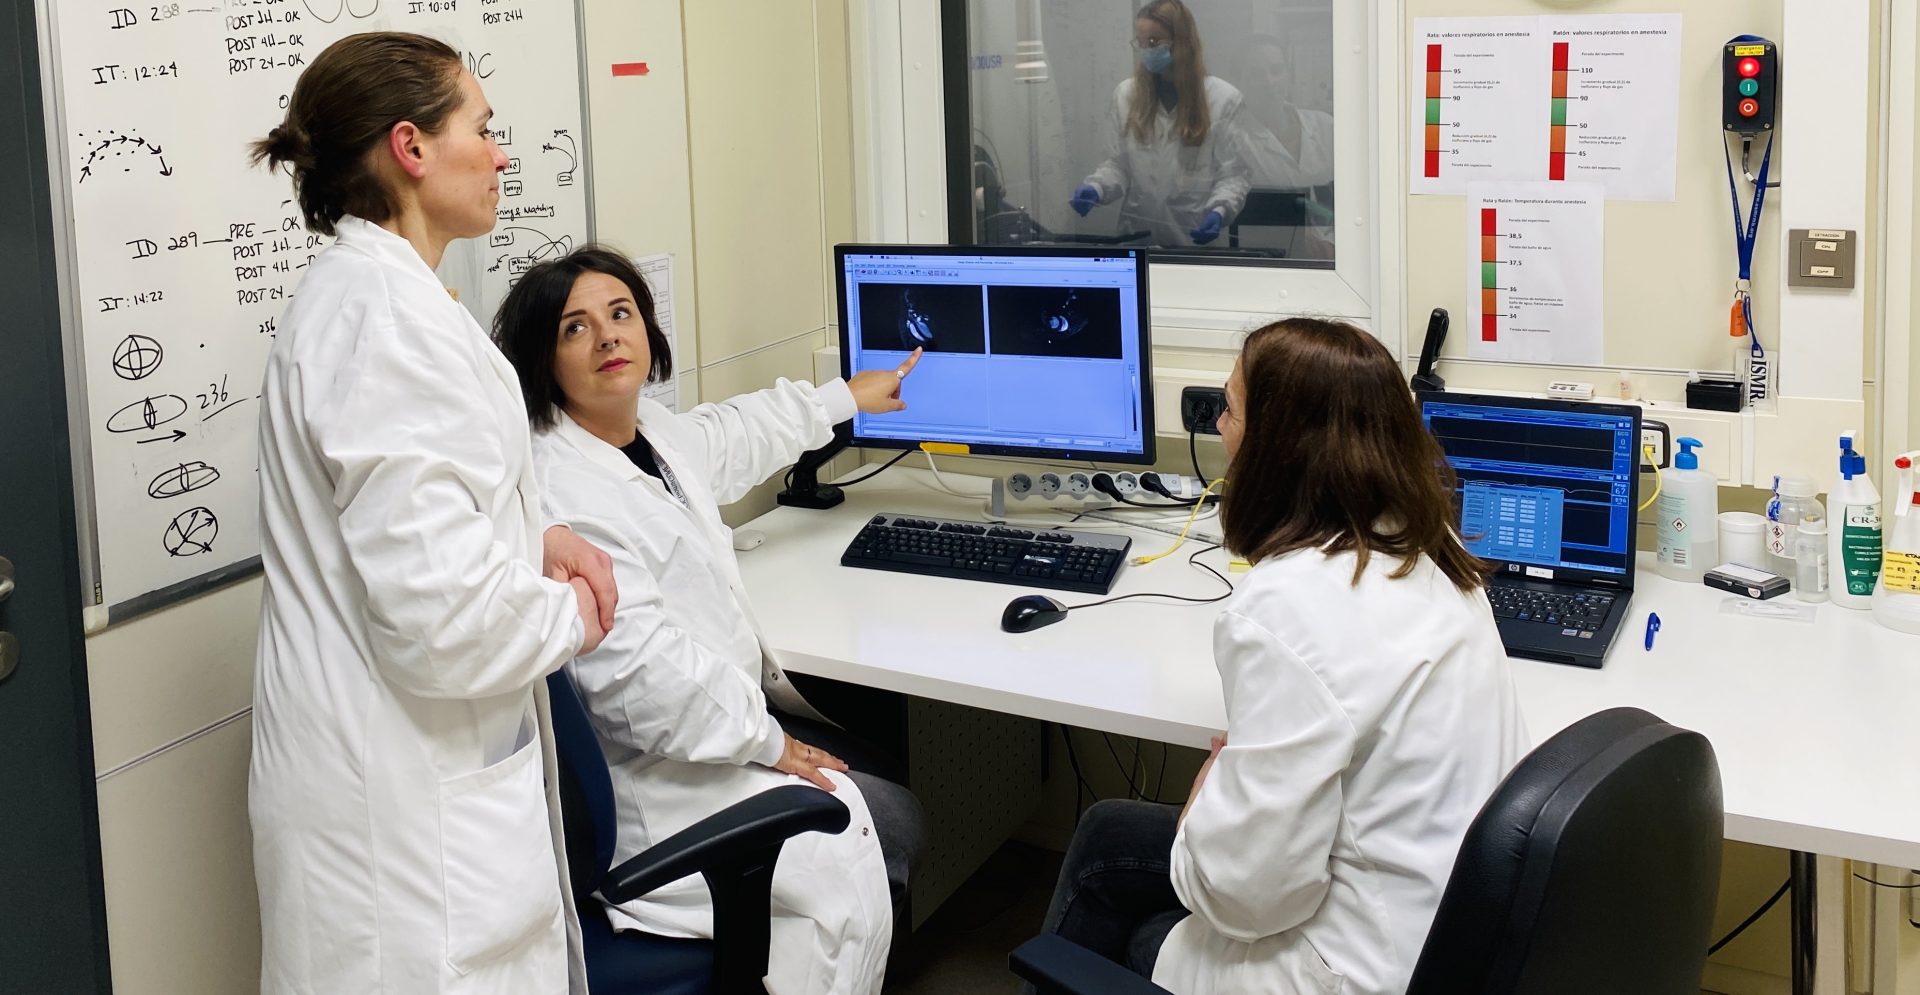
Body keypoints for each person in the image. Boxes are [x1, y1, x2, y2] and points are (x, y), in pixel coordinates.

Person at [248, 32, 617, 994]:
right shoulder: (388, 324)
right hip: (405, 837)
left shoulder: (384, 299)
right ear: (411, 148)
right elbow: (444, 621)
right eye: (483, 130)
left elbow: (418, 511)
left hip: (400, 802)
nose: (501, 155)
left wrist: (537, 535)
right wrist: (575, 614)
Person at [1024, 318, 1528, 995]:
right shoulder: (1431, 553)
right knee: (1108, 832)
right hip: (1452, 926)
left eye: (1230, 410)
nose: (1220, 427)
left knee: (1146, 936)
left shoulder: (1287, 607)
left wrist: (1204, 799)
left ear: (1278, 449)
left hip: (1358, 970)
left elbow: (1247, 900)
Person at [492, 246, 929, 995]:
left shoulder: (651, 434)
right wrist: (771, 742)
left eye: (621, 313)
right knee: (885, 821)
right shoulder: (561, 489)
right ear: (544, 361)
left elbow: (734, 433)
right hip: (661, 780)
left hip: (712, 728)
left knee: (882, 782)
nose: (608, 336)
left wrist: (846, 397)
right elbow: (641, 680)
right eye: (576, 327)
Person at [1069, 0, 1250, 248]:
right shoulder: (1127, 95)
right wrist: (1096, 188)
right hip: (1137, 240)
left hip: (1193, 242)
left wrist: (1220, 211)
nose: (1146, 51)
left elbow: (1233, 175)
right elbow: (1118, 164)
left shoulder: (1223, 100)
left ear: (1182, 42)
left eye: (1154, 42)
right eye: (1141, 43)